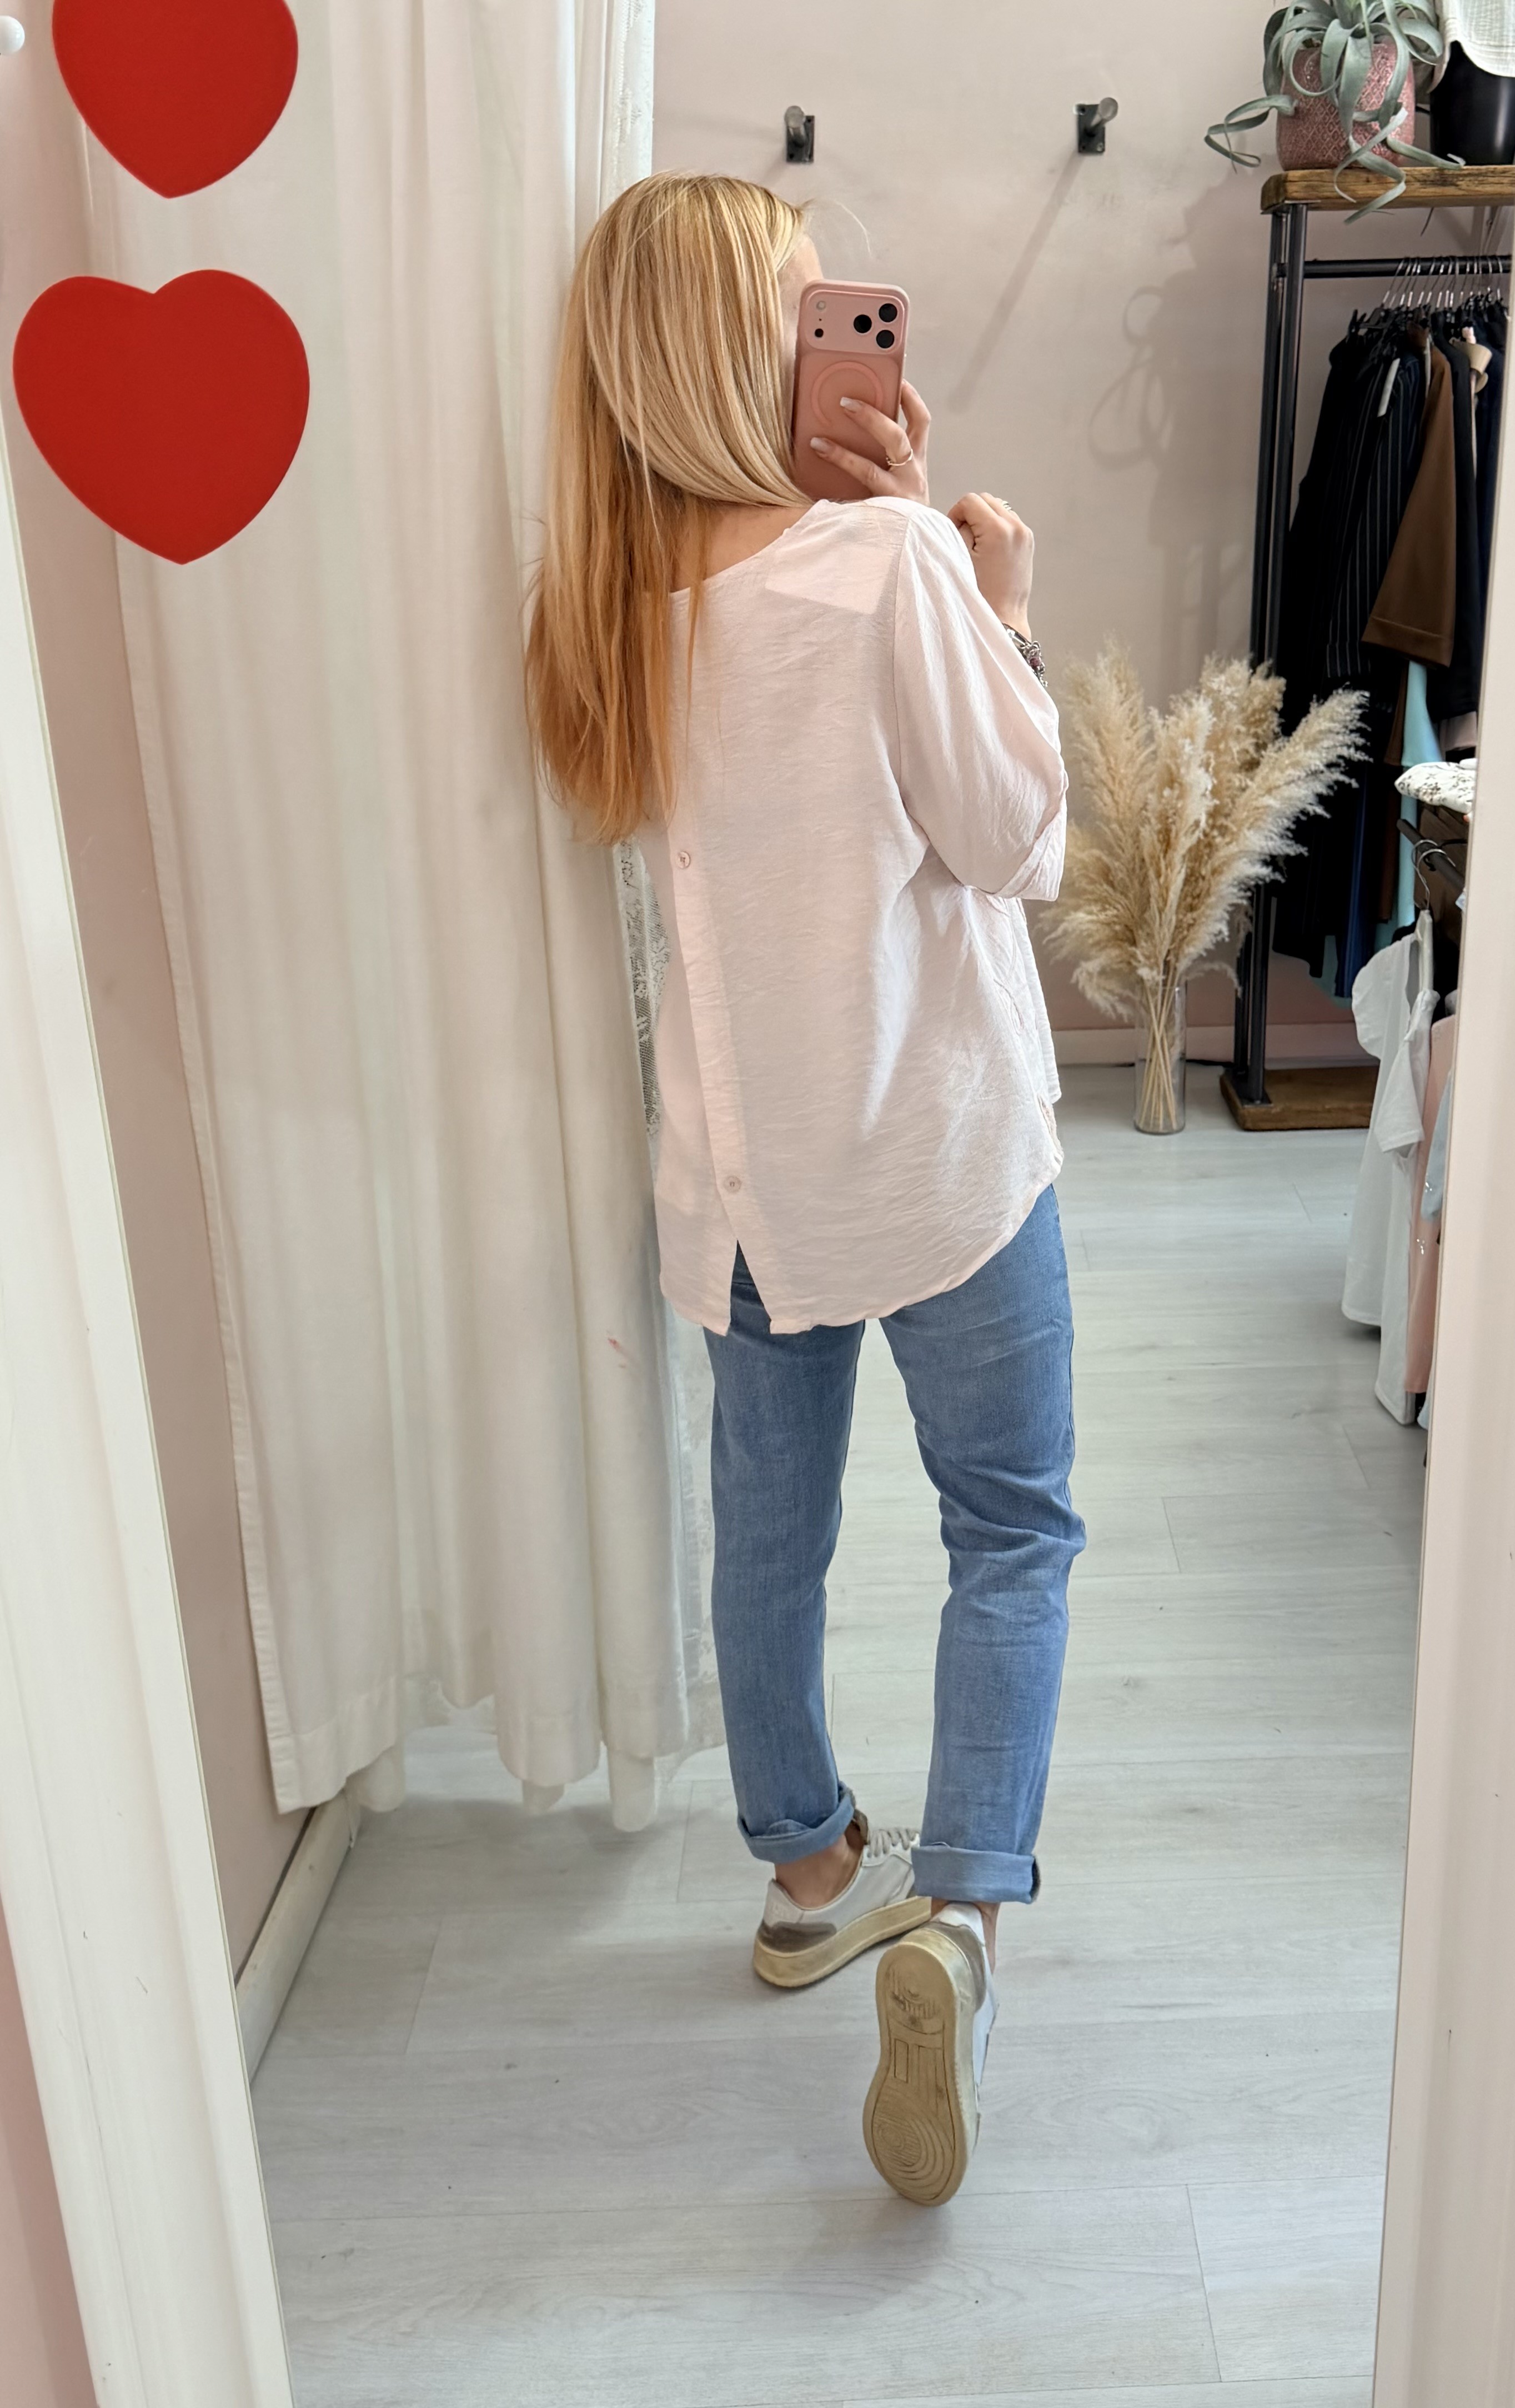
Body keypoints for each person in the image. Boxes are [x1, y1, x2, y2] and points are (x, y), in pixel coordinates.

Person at [525, 172, 1083, 2209]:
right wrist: (992, 592)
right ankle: (961, 1918)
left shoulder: (603, 603)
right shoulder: (884, 564)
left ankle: (805, 1875)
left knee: (768, 1537)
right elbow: (1016, 841)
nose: (843, 325)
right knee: (1009, 1525)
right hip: (932, 1156)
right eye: (808, 302)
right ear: (747, 352)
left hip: (740, 1179)